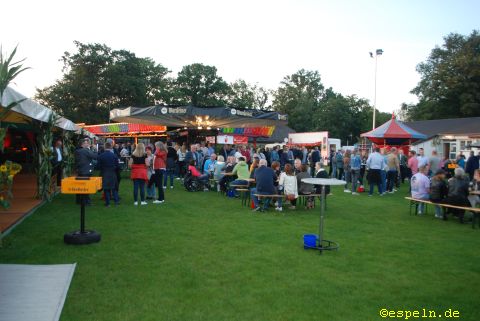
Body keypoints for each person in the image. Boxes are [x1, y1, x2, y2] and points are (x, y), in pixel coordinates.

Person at [74, 138, 97, 205]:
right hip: (85, 171)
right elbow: (95, 156)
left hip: (80, 170)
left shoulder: (78, 150)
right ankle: (86, 201)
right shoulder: (85, 150)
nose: (88, 144)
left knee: (80, 186)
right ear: (83, 144)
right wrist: (95, 149)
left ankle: (79, 201)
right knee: (86, 187)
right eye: (87, 143)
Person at [97, 142, 120, 207]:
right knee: (114, 188)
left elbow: (98, 166)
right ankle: (116, 202)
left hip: (104, 173)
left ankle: (108, 203)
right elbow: (118, 166)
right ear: (110, 147)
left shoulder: (101, 156)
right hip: (113, 173)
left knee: (106, 189)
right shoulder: (114, 155)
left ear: (104, 147)